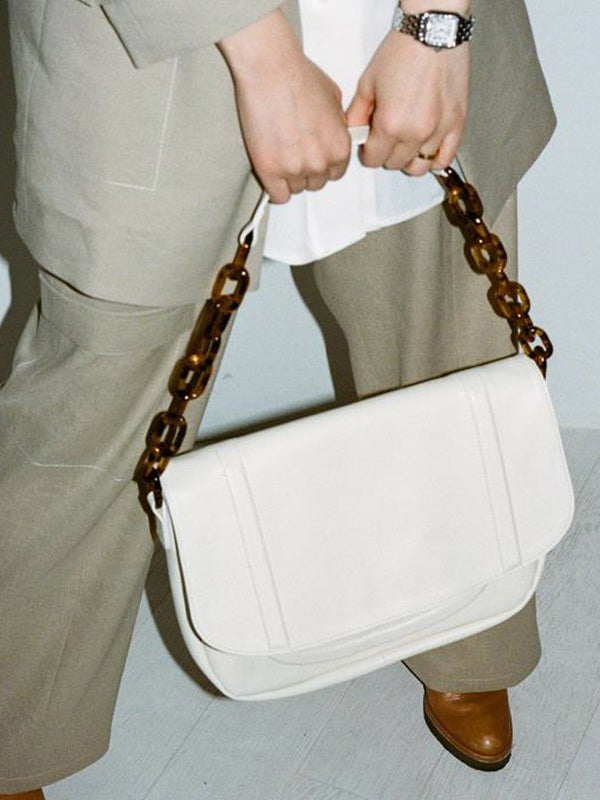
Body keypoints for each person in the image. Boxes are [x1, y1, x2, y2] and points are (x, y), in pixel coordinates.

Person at [0, 0, 556, 796]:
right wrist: (262, 55)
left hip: (401, 25)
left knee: (451, 337)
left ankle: (470, 636)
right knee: (91, 419)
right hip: (166, 46)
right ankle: (15, 723)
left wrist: (438, 26)